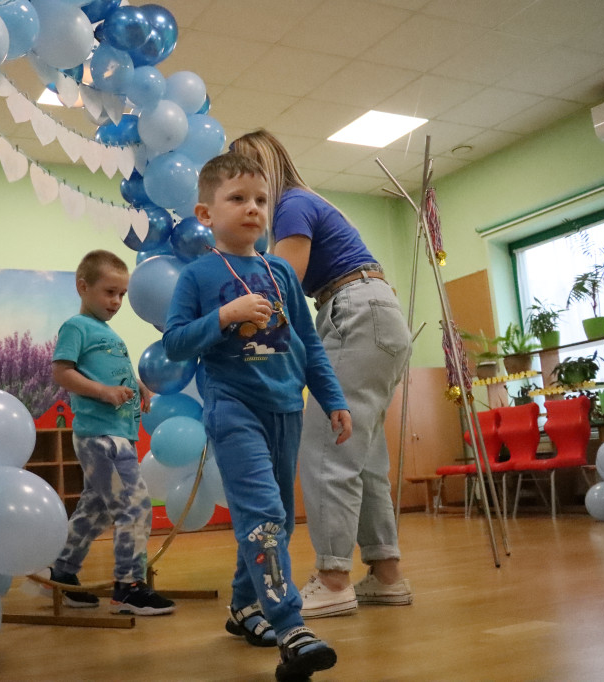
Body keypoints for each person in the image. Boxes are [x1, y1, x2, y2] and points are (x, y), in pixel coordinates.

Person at [163, 152, 351, 681]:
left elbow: (309, 343)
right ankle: (291, 627)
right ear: (206, 213)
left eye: (262, 200)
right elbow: (175, 342)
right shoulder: (199, 276)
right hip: (233, 406)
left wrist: (333, 398)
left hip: (287, 407)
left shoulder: (281, 273)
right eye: (238, 199)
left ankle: (245, 608)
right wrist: (225, 316)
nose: (253, 209)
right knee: (263, 513)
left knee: (279, 519)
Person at [231, 130, 414, 619]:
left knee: (325, 445)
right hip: (374, 312)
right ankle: (386, 574)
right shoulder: (306, 202)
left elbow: (278, 288)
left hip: (354, 312)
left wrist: (243, 343)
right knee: (364, 454)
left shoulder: (290, 205)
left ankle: (334, 579)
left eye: (246, 183)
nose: (246, 198)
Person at [49, 249, 175, 616]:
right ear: (83, 287)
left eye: (121, 294)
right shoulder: (77, 327)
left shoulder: (108, 333)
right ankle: (128, 586)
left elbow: (114, 373)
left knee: (96, 509)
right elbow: (62, 372)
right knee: (134, 507)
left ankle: (63, 573)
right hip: (102, 435)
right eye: (109, 292)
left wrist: (140, 389)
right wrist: (104, 393)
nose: (116, 301)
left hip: (118, 432)